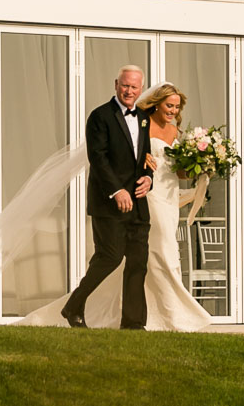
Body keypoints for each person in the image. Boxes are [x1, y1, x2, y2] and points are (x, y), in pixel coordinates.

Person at [22, 81, 212, 333]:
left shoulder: (176, 132)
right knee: (159, 252)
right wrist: (141, 165)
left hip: (168, 197)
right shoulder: (141, 123)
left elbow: (179, 172)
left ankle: (142, 319)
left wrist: (202, 167)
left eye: (177, 107)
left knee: (151, 257)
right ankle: (174, 315)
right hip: (148, 196)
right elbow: (122, 156)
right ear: (157, 104)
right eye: (169, 105)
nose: (173, 111)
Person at [57, 65, 152, 330]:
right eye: (125, 85)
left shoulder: (144, 117)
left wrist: (148, 179)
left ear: (141, 89)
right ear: (116, 84)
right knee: (109, 257)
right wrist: (117, 190)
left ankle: (133, 324)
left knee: (138, 263)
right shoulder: (99, 116)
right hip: (108, 203)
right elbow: (97, 158)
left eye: (134, 87)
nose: (129, 91)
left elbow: (145, 157)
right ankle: (74, 305)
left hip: (139, 205)